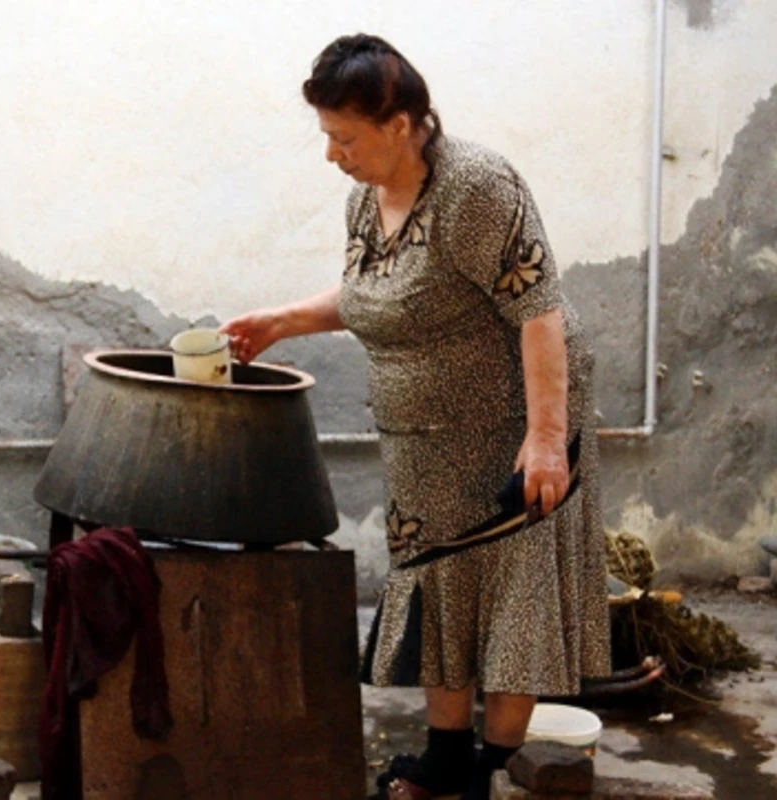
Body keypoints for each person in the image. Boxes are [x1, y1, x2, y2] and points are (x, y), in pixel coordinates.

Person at [221, 33, 610, 800]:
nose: (333, 154)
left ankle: (491, 773)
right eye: (328, 136)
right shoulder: (366, 196)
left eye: (343, 137)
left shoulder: (477, 188)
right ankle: (443, 757)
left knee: (506, 591)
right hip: (422, 442)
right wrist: (281, 321)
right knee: (434, 580)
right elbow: (376, 296)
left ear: (399, 125)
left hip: (509, 426)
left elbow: (540, 311)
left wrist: (544, 441)